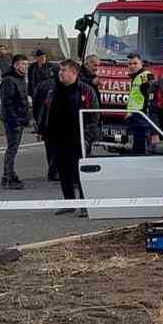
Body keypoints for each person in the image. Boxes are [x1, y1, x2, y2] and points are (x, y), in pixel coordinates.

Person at [40, 59, 100, 217]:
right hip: (57, 138)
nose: (60, 73)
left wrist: (86, 137)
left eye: (64, 70)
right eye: (60, 70)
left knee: (79, 173)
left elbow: (93, 116)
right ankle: (69, 202)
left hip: (77, 139)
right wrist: (42, 129)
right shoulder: (54, 90)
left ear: (74, 73)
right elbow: (45, 110)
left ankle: (84, 205)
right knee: (63, 172)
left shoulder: (86, 91)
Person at [0, 53, 31, 188]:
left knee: (14, 148)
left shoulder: (21, 79)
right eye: (22, 64)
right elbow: (7, 103)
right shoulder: (9, 80)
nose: (25, 67)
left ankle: (8, 175)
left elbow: (23, 99)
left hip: (20, 119)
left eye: (26, 64)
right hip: (13, 120)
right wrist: (15, 121)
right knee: (12, 148)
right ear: (15, 65)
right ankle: (8, 176)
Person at [28, 49, 59, 181]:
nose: (43, 59)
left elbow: (35, 105)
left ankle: (52, 172)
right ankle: (55, 172)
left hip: (43, 118)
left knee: (50, 147)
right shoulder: (60, 86)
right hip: (52, 119)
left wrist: (37, 120)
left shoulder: (42, 85)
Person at [124, 52, 155, 155]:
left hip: (143, 120)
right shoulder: (137, 77)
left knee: (141, 153)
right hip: (136, 119)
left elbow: (151, 98)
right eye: (129, 64)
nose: (132, 66)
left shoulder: (146, 76)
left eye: (135, 63)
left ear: (141, 63)